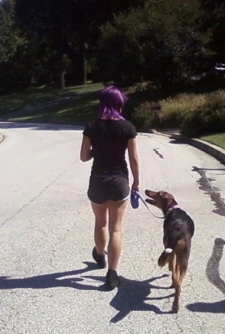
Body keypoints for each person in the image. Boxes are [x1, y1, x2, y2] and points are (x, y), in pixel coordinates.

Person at [80, 85, 140, 290]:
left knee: (101, 223)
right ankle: (112, 274)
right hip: (119, 180)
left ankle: (99, 254)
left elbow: (83, 157)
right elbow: (133, 159)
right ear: (119, 105)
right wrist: (136, 183)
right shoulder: (128, 128)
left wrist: (97, 151)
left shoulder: (91, 126)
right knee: (116, 228)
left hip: (97, 179)